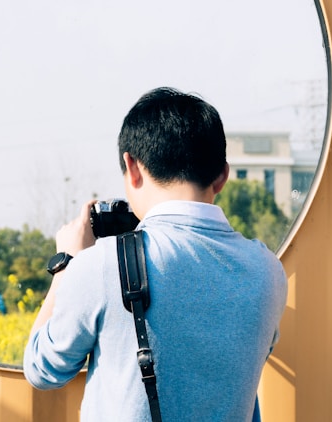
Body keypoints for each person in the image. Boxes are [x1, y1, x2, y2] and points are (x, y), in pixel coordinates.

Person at [23, 87, 288, 421]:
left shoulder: (104, 264)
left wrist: (66, 265)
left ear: (132, 167)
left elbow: (41, 368)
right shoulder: (267, 270)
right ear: (222, 176)